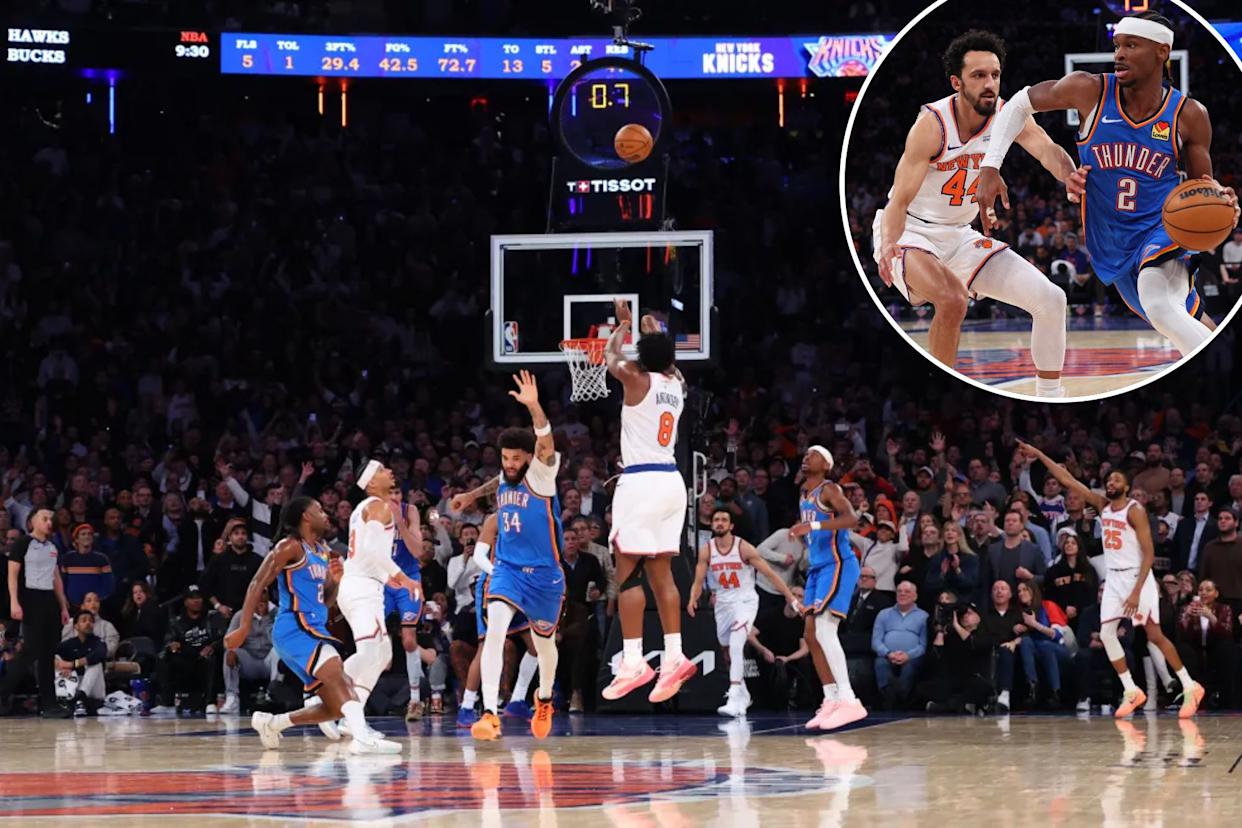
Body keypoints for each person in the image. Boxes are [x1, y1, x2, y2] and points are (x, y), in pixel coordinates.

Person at [977, 11, 1239, 355]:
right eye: (1117, 45)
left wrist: (1222, 202)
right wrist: (990, 165)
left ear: (1162, 51)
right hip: (1111, 245)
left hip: (1162, 228)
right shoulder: (1089, 90)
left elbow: (1202, 188)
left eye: (1132, 45)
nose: (1119, 54)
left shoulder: (1188, 115)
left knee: (1158, 303)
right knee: (1182, 317)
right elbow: (1018, 104)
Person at [872, 29, 1073, 395]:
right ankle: (939, 391)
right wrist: (888, 244)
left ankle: (1051, 395)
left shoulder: (1007, 114)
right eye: (979, 75)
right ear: (956, 81)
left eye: (995, 75)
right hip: (911, 230)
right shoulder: (932, 124)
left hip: (960, 234)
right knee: (951, 299)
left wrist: (1072, 177)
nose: (989, 84)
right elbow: (898, 200)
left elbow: (1047, 149)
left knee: (1051, 299)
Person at [1018, 440, 1204, 718]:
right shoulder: (1103, 505)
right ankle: (1131, 690)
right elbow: (1067, 479)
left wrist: (1135, 591)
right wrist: (1040, 455)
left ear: (1126, 487)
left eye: (1116, 478)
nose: (1110, 482)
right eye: (1108, 479)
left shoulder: (1134, 511)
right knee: (1106, 635)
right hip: (1115, 580)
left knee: (1154, 634)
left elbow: (1149, 554)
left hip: (1137, 577)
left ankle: (1191, 686)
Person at [223, 496, 400, 753]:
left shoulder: (323, 551)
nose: (325, 514)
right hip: (293, 627)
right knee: (337, 671)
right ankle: (361, 737)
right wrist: (243, 627)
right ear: (306, 517)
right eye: (318, 510)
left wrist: (336, 581)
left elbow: (325, 602)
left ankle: (273, 724)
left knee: (333, 707)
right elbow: (257, 583)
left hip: (313, 628)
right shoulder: (290, 546)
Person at [600, 299, 696, 704]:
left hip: (640, 482)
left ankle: (634, 661)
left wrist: (622, 326)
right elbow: (669, 363)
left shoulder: (635, 379)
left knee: (627, 575)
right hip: (673, 482)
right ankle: (673, 656)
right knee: (662, 575)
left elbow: (609, 357)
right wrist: (652, 329)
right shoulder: (677, 385)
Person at [471, 371, 565, 742]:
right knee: (494, 633)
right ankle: (490, 712)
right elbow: (498, 480)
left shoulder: (543, 473)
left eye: (515, 458)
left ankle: (543, 699)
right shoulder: (506, 476)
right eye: (505, 458)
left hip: (544, 574)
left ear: (530, 458)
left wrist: (533, 406)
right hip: (508, 569)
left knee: (546, 646)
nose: (509, 463)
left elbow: (546, 440)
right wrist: (469, 496)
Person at [331, 460, 422, 733]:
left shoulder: (364, 509)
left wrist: (389, 577)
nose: (390, 471)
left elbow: (368, 554)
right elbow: (372, 551)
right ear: (371, 483)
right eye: (382, 470)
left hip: (364, 583)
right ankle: (321, 695)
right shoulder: (379, 506)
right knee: (371, 652)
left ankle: (352, 716)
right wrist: (403, 577)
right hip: (360, 587)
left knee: (382, 654)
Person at [688, 508, 802, 717]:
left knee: (737, 643)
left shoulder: (743, 548)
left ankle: (733, 694)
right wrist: (692, 598)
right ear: (712, 525)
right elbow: (698, 579)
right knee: (726, 651)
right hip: (723, 602)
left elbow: (770, 574)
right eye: (716, 520)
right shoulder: (707, 550)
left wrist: (790, 597)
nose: (720, 523)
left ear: (731, 525)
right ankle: (743, 693)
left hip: (745, 600)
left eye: (724, 520)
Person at [791, 446, 863, 730]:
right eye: (806, 453)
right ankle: (830, 698)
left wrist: (814, 527)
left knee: (825, 629)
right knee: (810, 634)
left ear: (827, 464)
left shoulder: (829, 489)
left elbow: (852, 519)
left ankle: (848, 699)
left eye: (814, 454)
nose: (807, 456)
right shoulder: (803, 494)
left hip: (838, 563)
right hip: (817, 568)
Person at [0, 509, 72, 716]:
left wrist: (63, 607)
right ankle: (3, 691)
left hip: (49, 600)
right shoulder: (22, 543)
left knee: (48, 653)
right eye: (45, 518)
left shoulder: (52, 546)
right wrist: (15, 602)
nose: (50, 522)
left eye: (51, 519)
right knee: (30, 650)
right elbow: (12, 576)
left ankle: (49, 704)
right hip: (29, 599)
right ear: (32, 521)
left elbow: (56, 578)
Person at [150, 585, 225, 715]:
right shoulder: (177, 622)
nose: (197, 601)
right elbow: (168, 641)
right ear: (185, 602)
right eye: (192, 598)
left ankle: (210, 702)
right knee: (163, 657)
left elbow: (223, 638)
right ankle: (167, 703)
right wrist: (171, 645)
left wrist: (213, 646)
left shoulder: (213, 617)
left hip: (206, 662)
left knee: (212, 658)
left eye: (199, 597)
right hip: (186, 663)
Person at [1175, 580, 1238, 708]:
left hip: (1216, 647)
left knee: (1228, 649)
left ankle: (1227, 700)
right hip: (1195, 647)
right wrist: (1186, 616)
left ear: (1216, 593)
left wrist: (1211, 617)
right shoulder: (1188, 608)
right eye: (1201, 590)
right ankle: (1192, 697)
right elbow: (1181, 634)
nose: (1204, 593)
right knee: (1184, 650)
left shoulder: (1224, 609)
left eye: (1208, 590)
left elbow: (1227, 633)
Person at [871, 581, 929, 709]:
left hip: (912, 657)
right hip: (887, 656)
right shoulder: (883, 614)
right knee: (880, 664)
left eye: (907, 591)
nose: (902, 594)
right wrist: (888, 653)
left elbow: (923, 645)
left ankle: (901, 699)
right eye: (899, 591)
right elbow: (876, 641)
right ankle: (889, 697)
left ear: (915, 596)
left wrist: (908, 655)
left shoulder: (924, 616)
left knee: (910, 668)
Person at [217, 598, 279, 715]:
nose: (261, 602)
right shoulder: (241, 615)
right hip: (250, 660)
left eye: (264, 599)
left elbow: (279, 640)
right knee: (230, 653)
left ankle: (273, 694)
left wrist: (266, 618)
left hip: (269, 660)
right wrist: (231, 650)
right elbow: (228, 640)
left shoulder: (277, 614)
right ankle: (232, 698)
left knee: (278, 651)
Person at [54, 609, 108, 715]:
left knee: (95, 664)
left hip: (94, 688)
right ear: (76, 626)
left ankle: (81, 698)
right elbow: (51, 655)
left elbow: (97, 656)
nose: (88, 623)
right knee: (56, 660)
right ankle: (66, 699)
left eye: (91, 621)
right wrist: (61, 666)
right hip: (74, 682)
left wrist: (72, 664)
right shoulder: (68, 644)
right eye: (84, 620)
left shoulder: (98, 642)